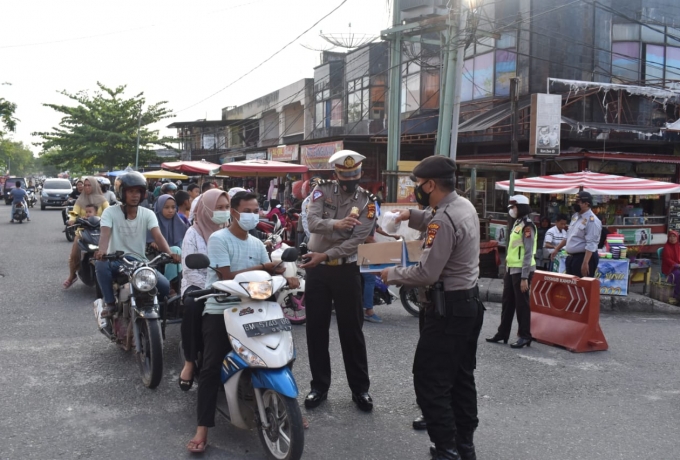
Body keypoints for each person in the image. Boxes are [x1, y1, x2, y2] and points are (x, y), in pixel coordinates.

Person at [379, 155, 483, 460]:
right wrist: (406, 215)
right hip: (468, 304)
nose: (417, 190)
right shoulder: (462, 206)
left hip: (447, 310)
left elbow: (427, 273)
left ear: (431, 184)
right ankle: (465, 445)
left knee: (431, 381)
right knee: (461, 378)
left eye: (418, 186)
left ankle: (446, 450)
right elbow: (431, 216)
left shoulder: (443, 220)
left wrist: (391, 274)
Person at [186, 191, 299, 454]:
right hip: (221, 308)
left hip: (256, 306)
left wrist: (284, 273)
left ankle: (288, 406)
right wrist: (265, 267)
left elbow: (268, 273)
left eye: (255, 210)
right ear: (234, 213)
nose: (252, 215)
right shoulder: (218, 239)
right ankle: (203, 427)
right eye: (247, 210)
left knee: (285, 354)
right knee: (212, 367)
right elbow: (226, 275)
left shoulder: (257, 243)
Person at [299, 150, 377, 412]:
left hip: (346, 270)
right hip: (317, 272)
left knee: (352, 331)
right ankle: (319, 386)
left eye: (354, 175)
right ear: (336, 174)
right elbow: (312, 222)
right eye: (344, 175)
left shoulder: (368, 202)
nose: (349, 180)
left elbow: (357, 240)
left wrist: (326, 252)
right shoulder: (321, 192)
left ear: (361, 174)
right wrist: (337, 224)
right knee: (316, 330)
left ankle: (360, 390)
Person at [95, 172, 180, 318]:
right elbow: (105, 234)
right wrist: (102, 252)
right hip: (115, 260)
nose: (135, 195)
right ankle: (110, 304)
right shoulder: (110, 212)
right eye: (131, 191)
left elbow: (158, 235)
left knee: (165, 286)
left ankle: (153, 311)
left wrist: (169, 253)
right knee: (100, 265)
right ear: (122, 192)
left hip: (140, 262)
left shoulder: (148, 213)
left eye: (138, 192)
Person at [178, 189, 231, 392]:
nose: (224, 212)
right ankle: (190, 362)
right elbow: (191, 271)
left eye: (226, 207)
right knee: (192, 305)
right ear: (206, 209)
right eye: (218, 208)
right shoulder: (193, 233)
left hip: (227, 284)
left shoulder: (231, 230)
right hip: (198, 284)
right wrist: (213, 288)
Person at [487, 195, 537, 349]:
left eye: (513, 207)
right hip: (511, 269)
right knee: (507, 302)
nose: (511, 210)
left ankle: (525, 336)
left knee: (522, 304)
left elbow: (528, 253)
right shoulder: (518, 223)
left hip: (522, 271)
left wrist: (524, 277)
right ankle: (503, 333)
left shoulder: (527, 226)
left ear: (520, 207)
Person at [551, 191, 602, 277]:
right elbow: (568, 236)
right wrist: (557, 249)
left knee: (582, 286)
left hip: (584, 258)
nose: (575, 204)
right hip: (572, 257)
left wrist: (585, 263)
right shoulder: (575, 216)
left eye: (578, 202)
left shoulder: (592, 221)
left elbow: (591, 244)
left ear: (586, 204)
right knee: (571, 286)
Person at [148, 195, 188, 289]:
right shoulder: (152, 222)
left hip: (177, 259)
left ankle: (173, 285)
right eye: (166, 207)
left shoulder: (180, 223)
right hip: (156, 259)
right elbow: (149, 239)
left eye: (173, 207)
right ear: (159, 208)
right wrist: (152, 242)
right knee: (175, 250)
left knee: (176, 250)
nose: (171, 210)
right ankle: (170, 285)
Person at [300, 176, 322, 242]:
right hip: (312, 237)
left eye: (318, 186)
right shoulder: (307, 201)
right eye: (314, 186)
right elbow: (305, 221)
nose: (316, 188)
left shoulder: (327, 199)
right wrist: (311, 237)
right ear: (310, 187)